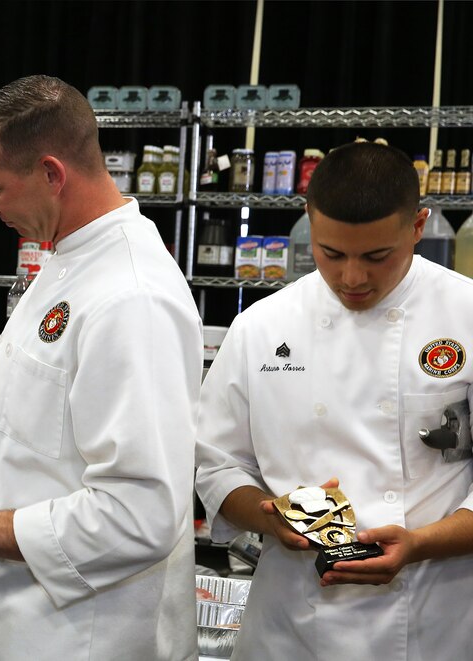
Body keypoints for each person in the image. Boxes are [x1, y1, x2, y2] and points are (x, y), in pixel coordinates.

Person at [0, 75, 202, 660]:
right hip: (9, 626)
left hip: (75, 640)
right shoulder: (68, 257)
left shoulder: (131, 297)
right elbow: (47, 427)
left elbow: (140, 514)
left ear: (52, 174)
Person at [194, 141, 473, 660]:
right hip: (294, 622)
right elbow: (216, 465)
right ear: (309, 223)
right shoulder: (262, 327)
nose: (352, 278)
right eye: (331, 253)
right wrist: (266, 515)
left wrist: (420, 544)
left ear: (418, 227)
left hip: (435, 614)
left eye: (376, 256)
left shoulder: (466, 315)